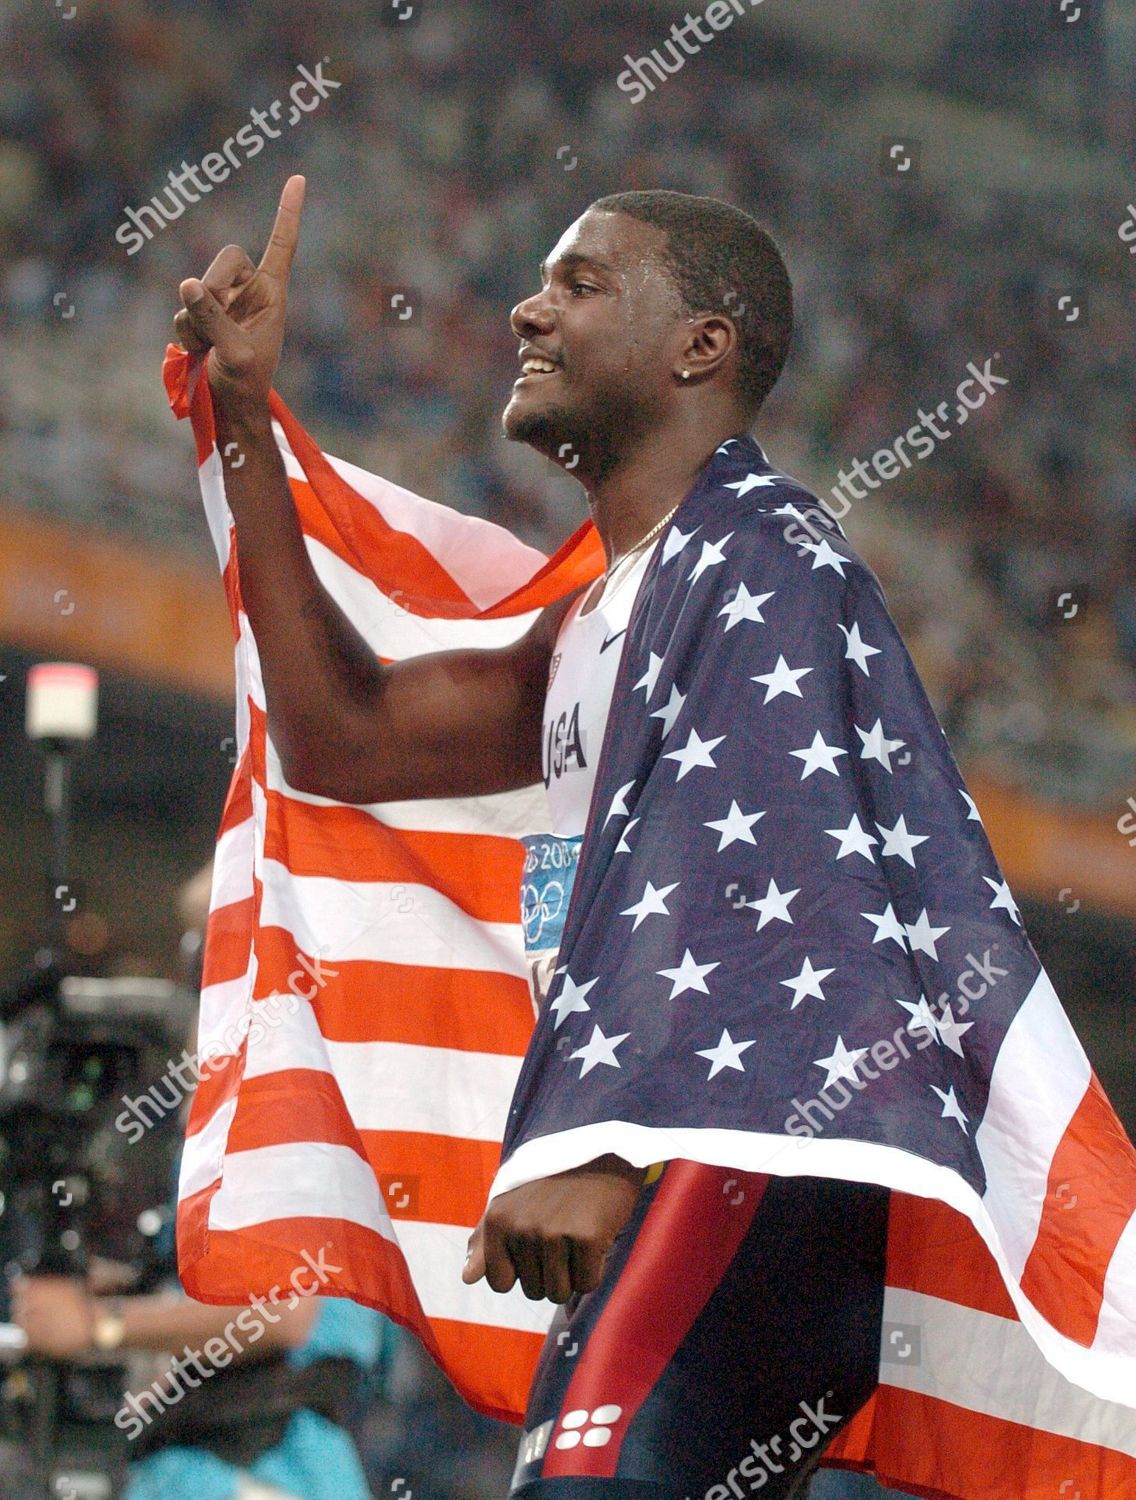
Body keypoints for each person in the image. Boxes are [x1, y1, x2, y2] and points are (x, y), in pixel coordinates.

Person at [168, 180, 990, 1497]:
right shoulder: (611, 611)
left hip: (737, 1148)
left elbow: (771, 855)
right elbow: (342, 738)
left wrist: (604, 1135)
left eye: (583, 284)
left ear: (699, 348)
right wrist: (250, 418)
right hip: (673, 1158)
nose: (527, 308)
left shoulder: (763, 553)